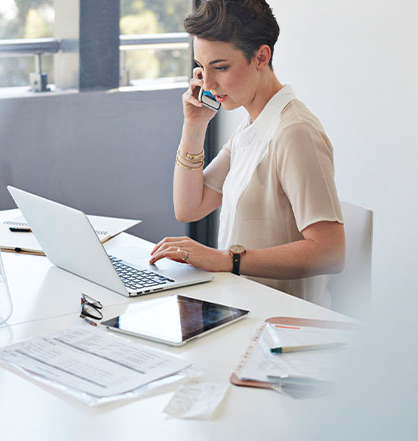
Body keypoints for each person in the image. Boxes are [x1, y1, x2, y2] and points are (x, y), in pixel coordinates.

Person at [148, 0, 345, 306]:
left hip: (281, 324)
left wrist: (228, 259)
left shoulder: (295, 132)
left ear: (261, 57)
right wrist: (194, 125)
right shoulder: (251, 127)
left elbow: (330, 252)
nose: (209, 84)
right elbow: (189, 207)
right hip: (242, 307)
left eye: (221, 67)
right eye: (201, 68)